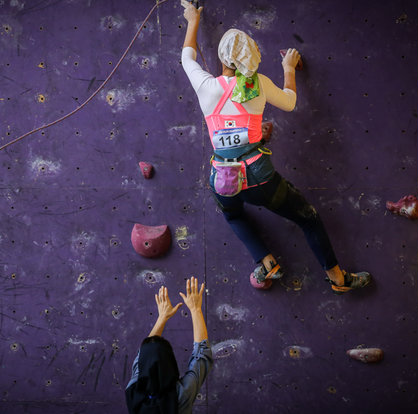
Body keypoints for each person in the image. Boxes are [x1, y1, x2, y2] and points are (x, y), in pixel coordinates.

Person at [179, 1, 371, 293]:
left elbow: (186, 56)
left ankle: (268, 263)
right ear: (252, 58)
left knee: (232, 214)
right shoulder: (258, 84)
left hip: (222, 178)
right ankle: (338, 279)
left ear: (221, 58)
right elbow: (290, 102)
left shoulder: (206, 86)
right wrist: (288, 68)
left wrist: (193, 20)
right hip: (259, 177)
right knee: (308, 219)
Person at [125, 277, 213, 414]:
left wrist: (162, 317)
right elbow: (201, 356)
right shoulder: (180, 395)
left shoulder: (133, 392)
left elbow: (141, 359)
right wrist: (195, 309)